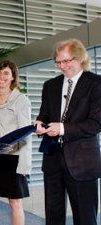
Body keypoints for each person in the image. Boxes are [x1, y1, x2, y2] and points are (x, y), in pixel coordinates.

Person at [34, 39, 101, 225]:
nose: (62, 66)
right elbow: (44, 114)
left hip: (82, 162)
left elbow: (96, 123)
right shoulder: (50, 85)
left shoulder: (96, 83)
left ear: (80, 58)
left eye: (66, 61)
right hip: (53, 159)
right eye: (58, 62)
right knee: (53, 217)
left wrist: (62, 128)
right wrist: (39, 124)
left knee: (85, 218)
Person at [0, 60, 32, 225]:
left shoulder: (21, 100)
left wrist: (24, 165)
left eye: (6, 73)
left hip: (12, 158)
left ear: (13, 77)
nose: (1, 76)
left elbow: (25, 133)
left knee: (15, 202)